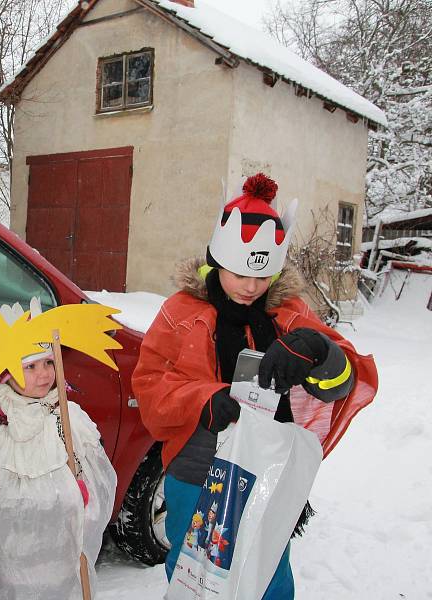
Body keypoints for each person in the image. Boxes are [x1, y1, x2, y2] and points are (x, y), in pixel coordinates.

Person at [132, 173, 378, 599]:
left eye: (261, 277)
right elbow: (150, 387)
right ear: (216, 261)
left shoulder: (290, 313)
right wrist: (203, 399)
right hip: (196, 470)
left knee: (268, 574)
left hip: (270, 472)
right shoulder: (180, 313)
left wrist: (321, 351)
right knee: (196, 577)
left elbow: (345, 385)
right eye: (239, 273)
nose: (250, 287)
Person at [0, 303, 117, 599]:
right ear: (6, 375)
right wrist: (39, 499)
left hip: (60, 551)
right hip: (18, 552)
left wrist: (80, 489)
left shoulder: (67, 414)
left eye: (49, 363)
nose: (44, 374)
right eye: (31, 366)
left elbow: (99, 477)